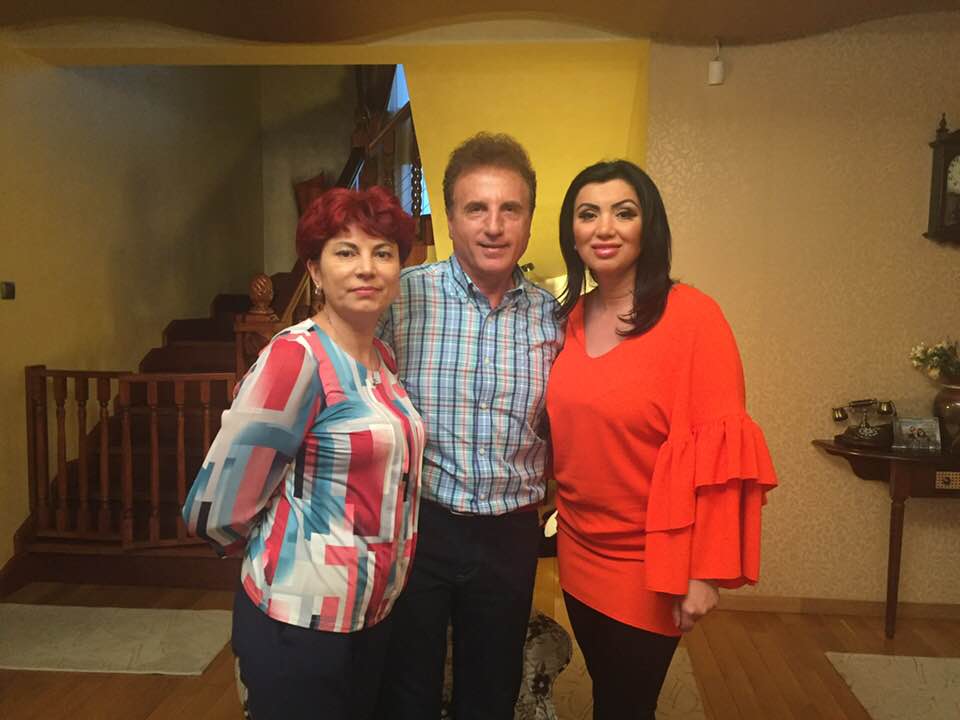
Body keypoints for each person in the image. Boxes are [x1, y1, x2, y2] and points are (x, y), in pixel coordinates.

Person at [545, 160, 778, 719]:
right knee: (607, 690)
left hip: (649, 561)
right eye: (588, 214)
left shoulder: (693, 318)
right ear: (572, 233)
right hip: (578, 547)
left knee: (627, 703)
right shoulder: (568, 320)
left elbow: (722, 451)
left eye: (623, 213)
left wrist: (704, 572)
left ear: (648, 226)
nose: (604, 228)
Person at [182, 186, 425, 720]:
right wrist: (287, 558)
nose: (366, 268)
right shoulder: (297, 358)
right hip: (299, 624)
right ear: (314, 270)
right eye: (346, 251)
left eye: (383, 253)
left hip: (370, 618)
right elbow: (215, 506)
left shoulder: (381, 359)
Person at [375, 133, 564, 720]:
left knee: (490, 691)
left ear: (529, 221)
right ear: (450, 218)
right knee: (407, 690)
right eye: (476, 208)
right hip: (419, 524)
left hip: (510, 535)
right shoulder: (398, 298)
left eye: (511, 209)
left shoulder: (555, 319)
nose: (494, 226)